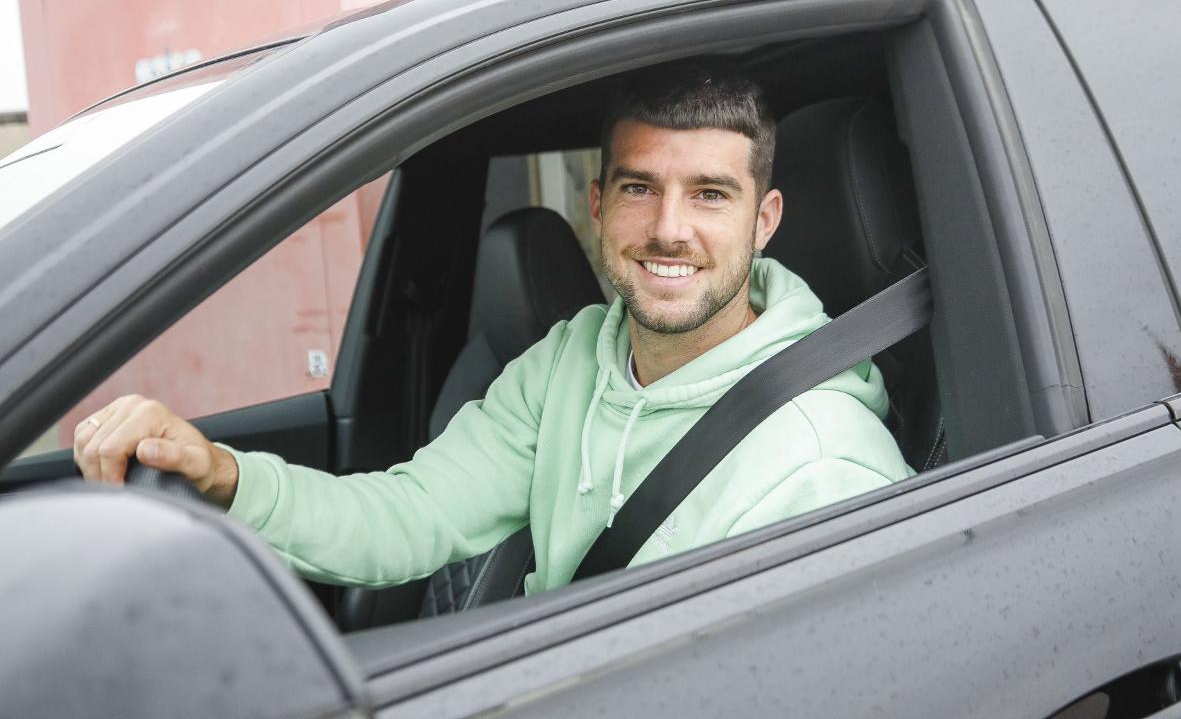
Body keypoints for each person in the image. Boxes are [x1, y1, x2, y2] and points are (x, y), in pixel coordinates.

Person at [74, 60, 914, 593]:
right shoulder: (572, 360)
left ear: (764, 220)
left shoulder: (823, 464)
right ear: (594, 206)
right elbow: (411, 515)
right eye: (637, 188)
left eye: (709, 194)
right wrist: (222, 476)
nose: (667, 228)